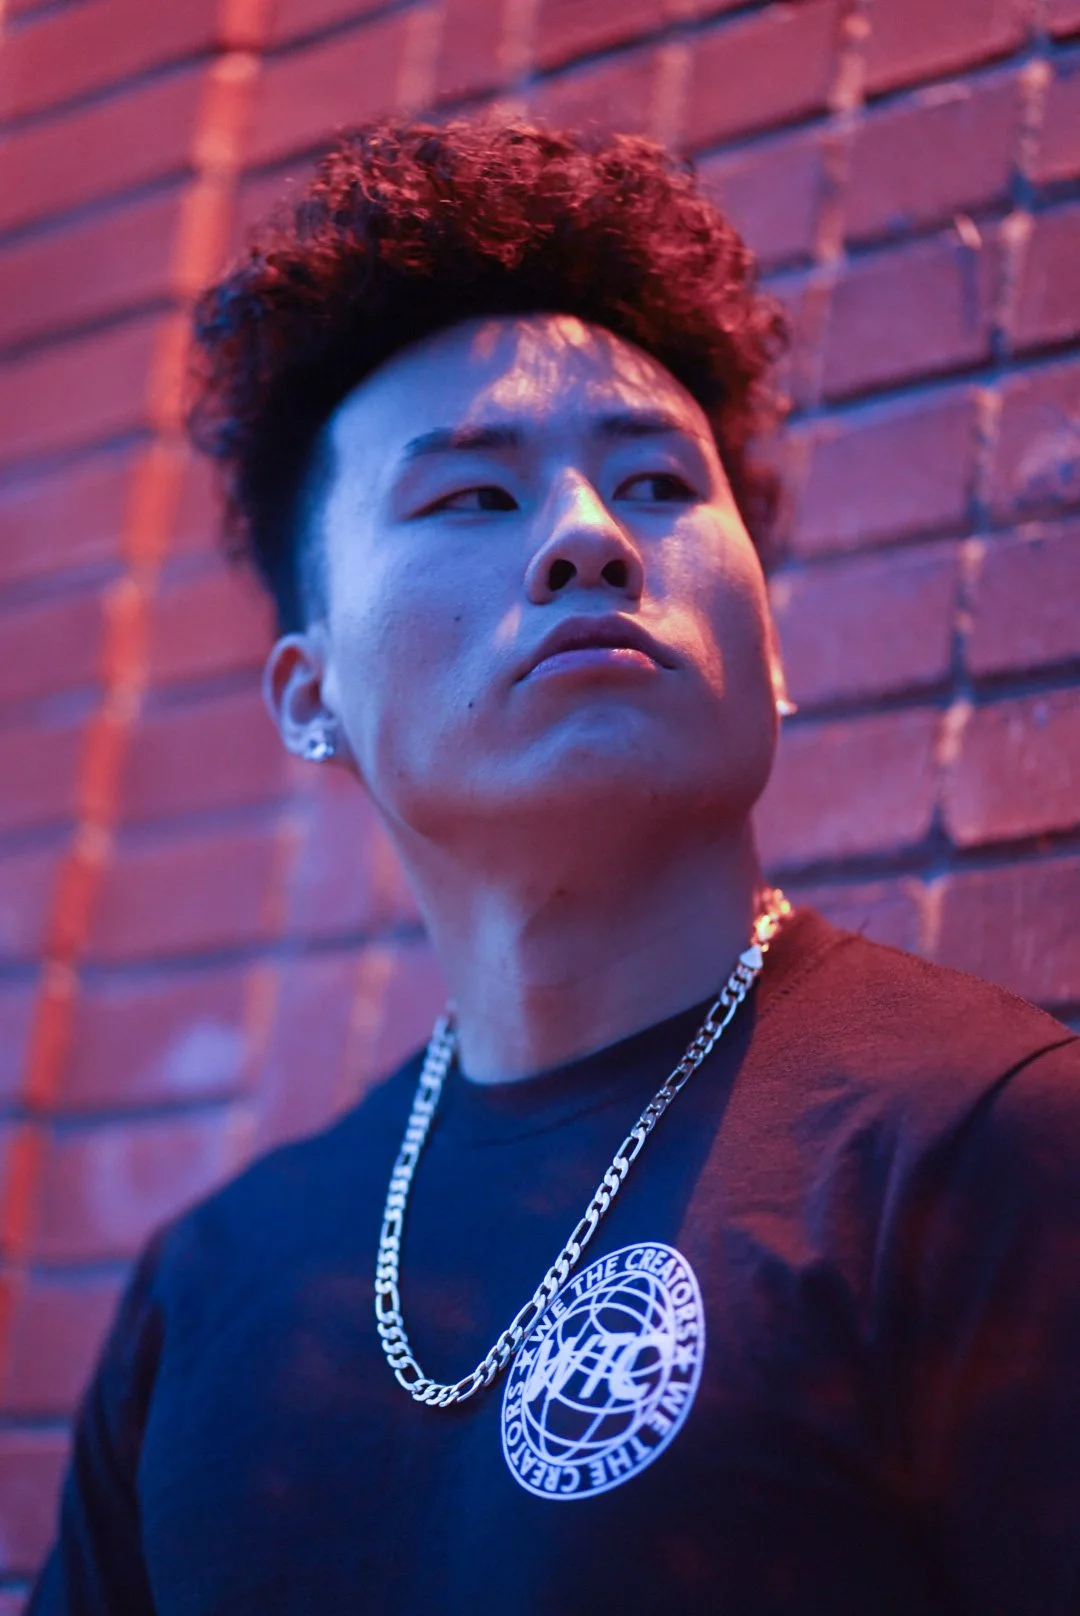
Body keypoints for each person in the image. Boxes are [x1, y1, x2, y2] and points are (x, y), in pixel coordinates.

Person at [31, 115, 1080, 1616]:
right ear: (308, 694)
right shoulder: (208, 1294)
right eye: (474, 496)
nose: (590, 540)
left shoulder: (986, 1150)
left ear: (769, 648)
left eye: (658, 485)